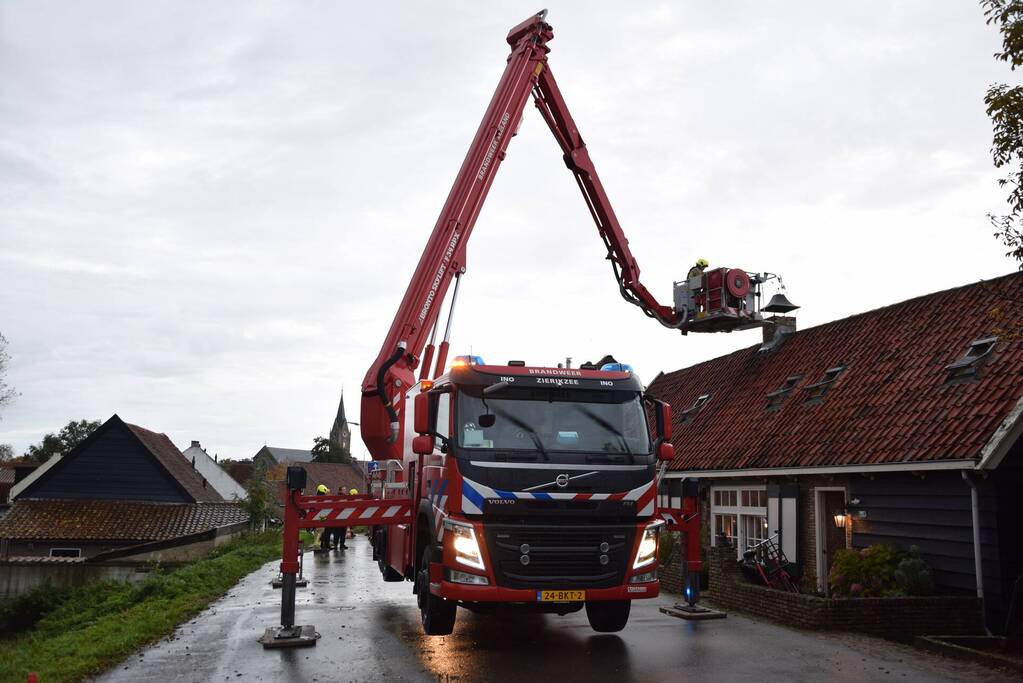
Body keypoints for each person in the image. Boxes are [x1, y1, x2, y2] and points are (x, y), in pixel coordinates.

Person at [316, 484, 334, 551]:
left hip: (323, 517)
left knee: (326, 531)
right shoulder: (321, 498)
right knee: (324, 532)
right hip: (322, 517)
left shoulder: (321, 498)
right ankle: (324, 545)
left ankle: (325, 545)